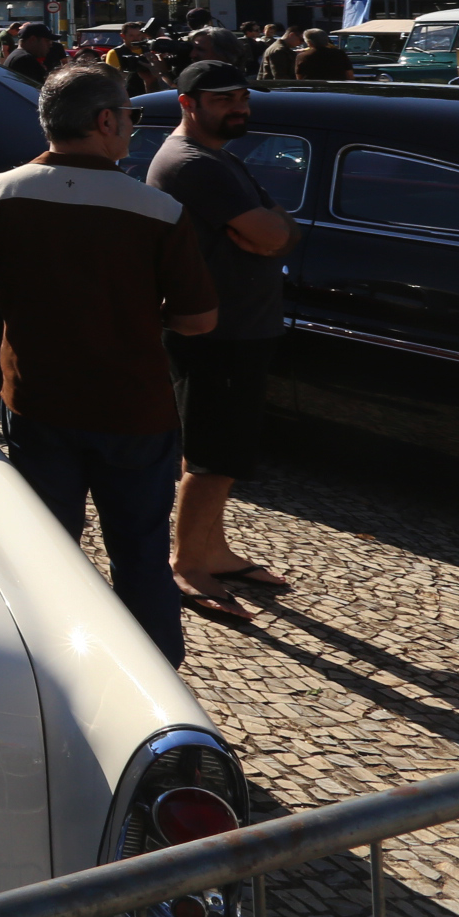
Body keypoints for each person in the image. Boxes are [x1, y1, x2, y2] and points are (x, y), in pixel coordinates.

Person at [0, 63, 218, 665]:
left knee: (45, 549)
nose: (131, 127)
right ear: (105, 122)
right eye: (129, 115)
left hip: (37, 397)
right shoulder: (158, 211)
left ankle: (45, 665)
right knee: (141, 554)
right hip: (133, 408)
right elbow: (199, 319)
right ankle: (154, 681)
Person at [145, 59, 301, 620]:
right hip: (219, 332)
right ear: (189, 104)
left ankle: (215, 549)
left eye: (242, 96)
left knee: (224, 449)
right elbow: (271, 231)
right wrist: (268, 230)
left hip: (240, 327)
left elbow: (277, 231)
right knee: (212, 452)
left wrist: (270, 231)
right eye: (223, 99)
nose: (239, 106)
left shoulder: (219, 157)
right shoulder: (192, 164)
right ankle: (187, 564)